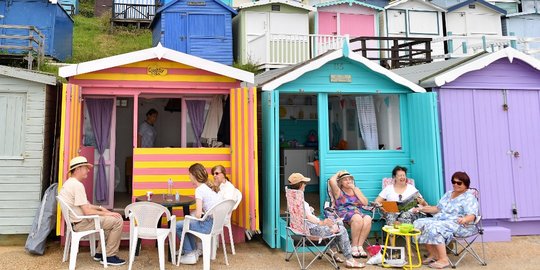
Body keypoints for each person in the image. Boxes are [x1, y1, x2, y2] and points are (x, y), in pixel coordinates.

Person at [58, 156, 125, 266]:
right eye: (86, 168)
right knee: (117, 221)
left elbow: (85, 205)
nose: (88, 170)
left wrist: (100, 208)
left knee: (110, 220)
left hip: (77, 222)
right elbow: (87, 212)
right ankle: (109, 256)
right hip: (82, 223)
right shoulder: (77, 185)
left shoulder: (69, 183)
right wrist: (107, 213)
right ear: (78, 169)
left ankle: (100, 253)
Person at [288, 173, 364, 268]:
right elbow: (308, 217)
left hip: (299, 227)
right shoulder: (302, 202)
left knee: (338, 222)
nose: (305, 185)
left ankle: (332, 250)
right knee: (341, 229)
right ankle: (350, 259)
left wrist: (310, 211)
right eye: (304, 183)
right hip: (312, 230)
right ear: (300, 184)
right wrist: (322, 223)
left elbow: (302, 214)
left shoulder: (293, 199)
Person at [412, 172, 479, 269]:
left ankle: (443, 260)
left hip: (460, 224)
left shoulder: (469, 197)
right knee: (418, 223)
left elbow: (472, 215)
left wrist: (464, 219)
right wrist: (421, 208)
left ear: (466, 184)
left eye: (459, 183)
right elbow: (437, 209)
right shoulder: (448, 194)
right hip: (441, 220)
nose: (455, 184)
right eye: (453, 182)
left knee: (435, 227)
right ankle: (433, 254)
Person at [177, 163, 221, 265]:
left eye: (189, 174)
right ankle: (193, 252)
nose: (189, 177)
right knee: (188, 223)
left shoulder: (199, 190)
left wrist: (191, 218)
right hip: (215, 224)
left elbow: (197, 215)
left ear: (194, 175)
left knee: (177, 226)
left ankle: (189, 254)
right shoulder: (208, 187)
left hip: (207, 226)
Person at [328, 171, 372, 258]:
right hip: (344, 214)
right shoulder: (338, 191)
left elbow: (365, 203)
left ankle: (360, 246)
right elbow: (331, 181)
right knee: (357, 218)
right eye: (345, 180)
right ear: (340, 182)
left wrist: (355, 189)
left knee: (368, 218)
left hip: (357, 212)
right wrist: (339, 173)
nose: (348, 181)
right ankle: (353, 246)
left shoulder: (356, 190)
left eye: (350, 179)